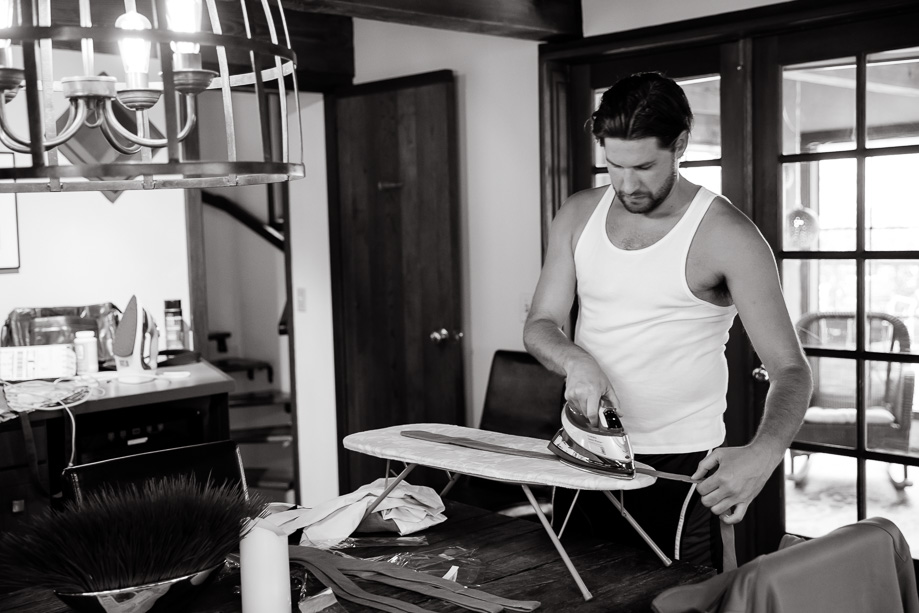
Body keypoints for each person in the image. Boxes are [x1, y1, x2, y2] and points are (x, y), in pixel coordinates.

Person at [522, 71, 813, 568]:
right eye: (614, 165)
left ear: (680, 145)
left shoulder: (728, 236)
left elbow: (791, 370)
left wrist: (763, 455)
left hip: (683, 468)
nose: (627, 184)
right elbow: (540, 323)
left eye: (644, 167)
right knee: (571, 593)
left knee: (682, 600)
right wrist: (575, 361)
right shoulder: (577, 214)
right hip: (585, 451)